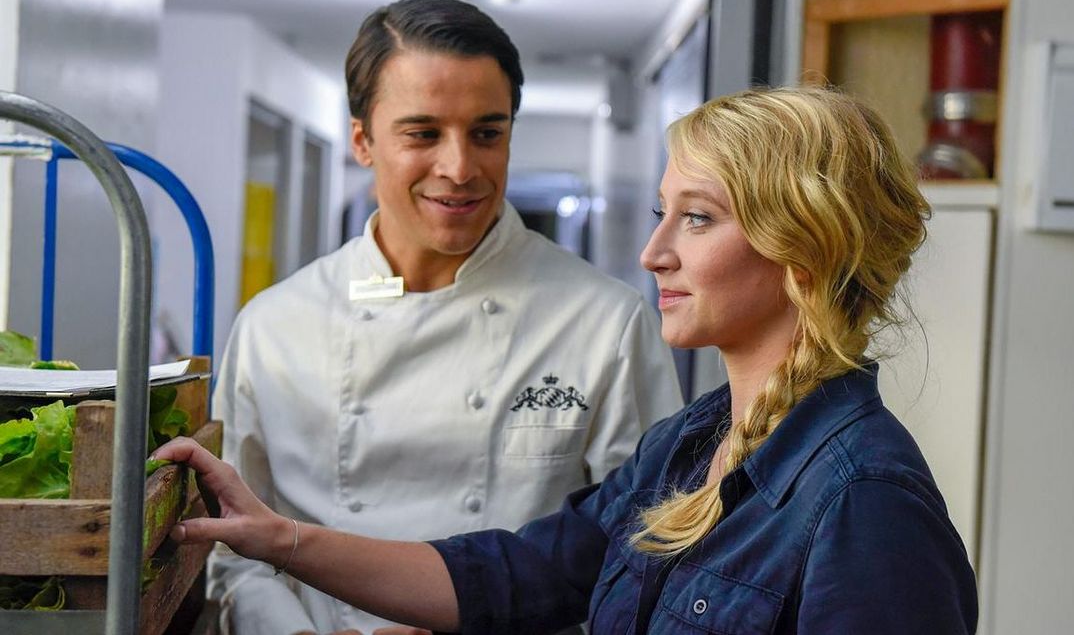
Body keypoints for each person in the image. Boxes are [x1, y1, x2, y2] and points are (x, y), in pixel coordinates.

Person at [160, 86, 978, 634]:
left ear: (804, 244)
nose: (654, 252)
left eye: (697, 218)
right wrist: (278, 536)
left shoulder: (866, 502)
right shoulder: (689, 445)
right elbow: (518, 574)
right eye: (663, 213)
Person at [208, 0, 683, 635]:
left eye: (487, 133)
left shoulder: (605, 324)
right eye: (423, 133)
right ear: (362, 141)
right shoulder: (275, 327)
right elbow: (235, 552)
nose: (459, 169)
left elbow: (649, 555)